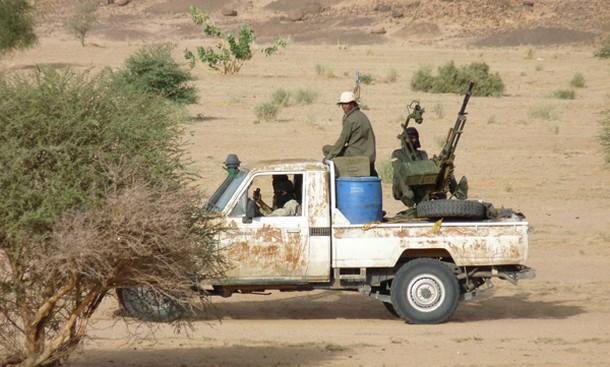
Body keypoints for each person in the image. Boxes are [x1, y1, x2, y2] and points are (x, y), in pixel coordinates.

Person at [322, 91, 378, 177]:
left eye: (346, 104)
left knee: (326, 149)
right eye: (342, 104)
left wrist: (328, 158)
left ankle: (340, 172)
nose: (343, 107)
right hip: (369, 154)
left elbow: (341, 142)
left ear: (352, 104)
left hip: (355, 154)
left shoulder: (350, 120)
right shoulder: (362, 116)